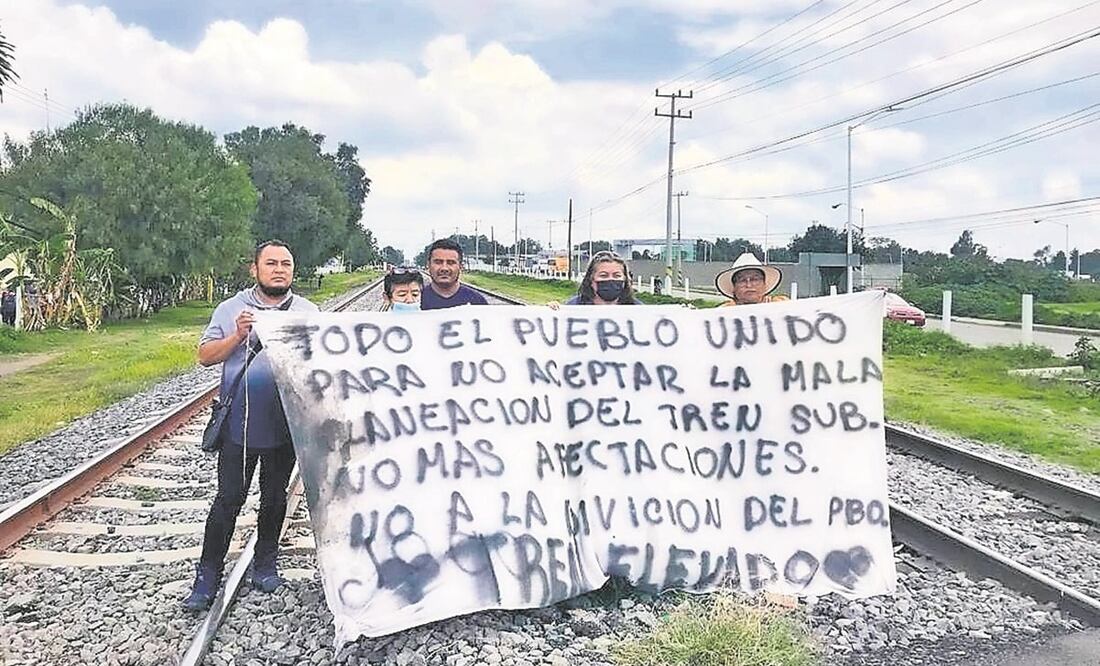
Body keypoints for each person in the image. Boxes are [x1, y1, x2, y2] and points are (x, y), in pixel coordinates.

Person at [183, 240, 319, 611]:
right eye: (271, 263)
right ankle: (207, 577)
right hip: (239, 425)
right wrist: (237, 336)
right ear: (254, 269)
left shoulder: (307, 312)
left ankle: (265, 563)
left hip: (285, 425)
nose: (279, 270)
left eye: (286, 264)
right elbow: (205, 357)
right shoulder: (231, 309)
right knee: (229, 498)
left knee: (275, 497)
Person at [420, 238, 488, 310]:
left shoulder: (478, 302)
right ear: (428, 265)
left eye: (451, 263)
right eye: (438, 262)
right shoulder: (417, 301)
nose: (444, 268)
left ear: (461, 266)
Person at [555, 251, 642, 306]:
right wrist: (551, 312)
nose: (610, 279)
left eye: (617, 275)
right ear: (591, 279)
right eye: (603, 275)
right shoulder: (574, 306)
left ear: (625, 279)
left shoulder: (638, 309)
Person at [714, 252, 788, 306]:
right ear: (733, 287)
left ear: (764, 284)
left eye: (755, 279)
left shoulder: (782, 305)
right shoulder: (722, 312)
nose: (749, 285)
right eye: (742, 280)